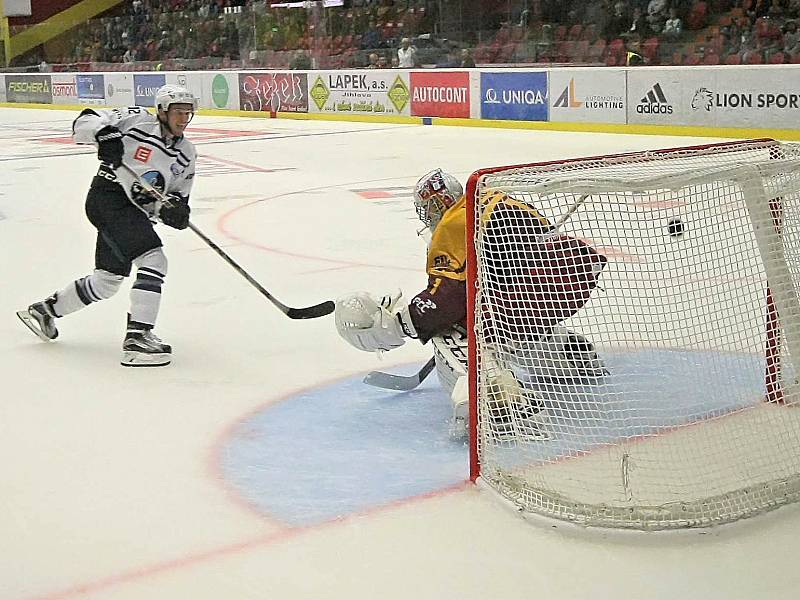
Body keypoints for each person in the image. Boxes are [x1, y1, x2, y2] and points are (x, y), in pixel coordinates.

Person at [334, 170, 607, 439]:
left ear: (436, 204)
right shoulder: (489, 198)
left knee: (457, 328)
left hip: (530, 288)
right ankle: (570, 356)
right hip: (572, 273)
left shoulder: (454, 222)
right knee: (495, 321)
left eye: (427, 208)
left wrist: (403, 323)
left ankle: (500, 400)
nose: (427, 216)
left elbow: (447, 299)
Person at [16, 84, 197, 367]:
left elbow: (174, 198)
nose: (184, 119)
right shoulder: (138, 119)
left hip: (134, 213)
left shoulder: (186, 152)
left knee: (107, 281)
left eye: (188, 113)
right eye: (178, 112)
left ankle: (44, 311)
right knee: (154, 260)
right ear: (162, 111)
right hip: (108, 198)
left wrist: (176, 212)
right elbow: (85, 120)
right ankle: (138, 338)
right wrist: (105, 134)